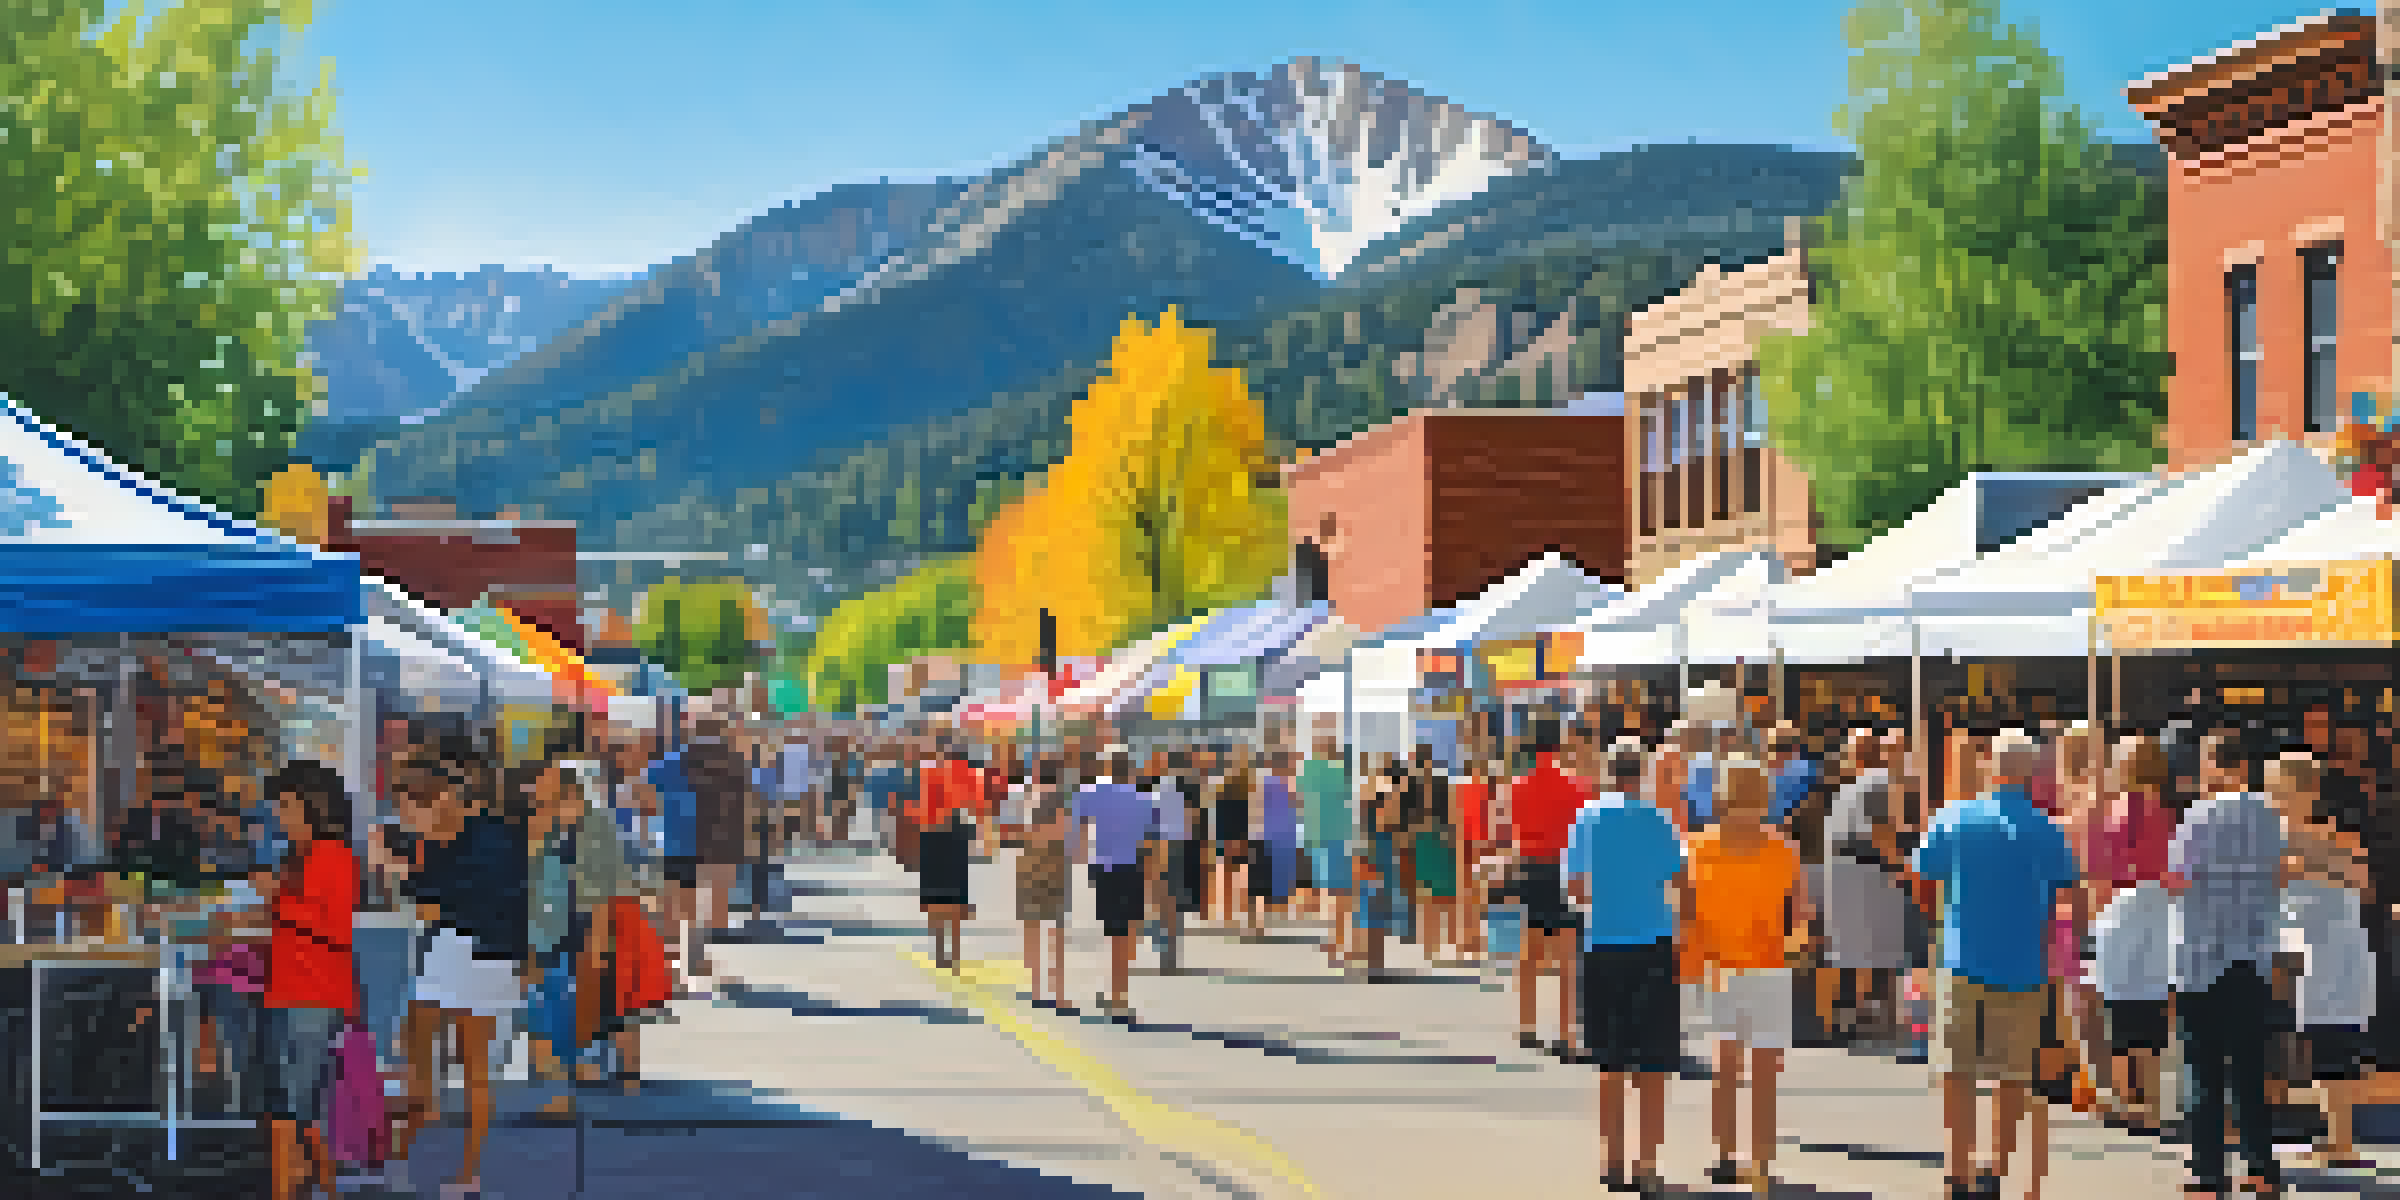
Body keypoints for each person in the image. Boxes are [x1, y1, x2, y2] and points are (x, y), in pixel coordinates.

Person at [1911, 729, 2078, 1200]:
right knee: (2011, 1072)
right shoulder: (2045, 827)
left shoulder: (1958, 816)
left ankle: (1956, 1169)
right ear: (2032, 774)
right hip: (2025, 961)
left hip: (1962, 959)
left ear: (1991, 767)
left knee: (1955, 1069)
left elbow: (1923, 868)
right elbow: (2066, 885)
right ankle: (1994, 1168)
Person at [392, 732, 527, 1200]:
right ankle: (424, 1160)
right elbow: (428, 896)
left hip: (478, 954)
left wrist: (406, 876)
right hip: (473, 953)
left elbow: (438, 900)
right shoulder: (479, 832)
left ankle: (447, 1165)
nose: (409, 816)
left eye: (414, 803)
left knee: (457, 1063)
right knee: (447, 1060)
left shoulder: (479, 834)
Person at [2166, 732, 2287, 1198]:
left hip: (2202, 954)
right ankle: (2261, 1167)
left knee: (2203, 1069)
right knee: (2251, 1069)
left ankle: (2207, 1169)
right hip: (2252, 953)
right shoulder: (2270, 816)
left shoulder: (2197, 817)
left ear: (2217, 764)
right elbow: (2278, 877)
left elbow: (2177, 881)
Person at [1682, 756, 1810, 1194]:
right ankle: (1761, 1161)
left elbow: (1685, 912)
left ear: (1720, 795)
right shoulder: (1785, 850)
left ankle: (1723, 1155)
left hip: (1719, 966)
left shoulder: (1697, 848)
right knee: (1765, 1072)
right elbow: (1801, 916)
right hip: (1770, 966)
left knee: (1726, 1067)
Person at [1567, 738, 1685, 1198]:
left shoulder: (1587, 817)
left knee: (1610, 1061)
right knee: (1652, 1063)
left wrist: (1601, 903)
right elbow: (1680, 881)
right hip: (1653, 943)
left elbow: (1575, 888)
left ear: (1607, 772)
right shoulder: (1660, 820)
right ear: (1643, 775)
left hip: (1603, 944)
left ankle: (1612, 1159)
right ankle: (1648, 1164)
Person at [2267, 755, 2376, 1168]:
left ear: (2306, 791)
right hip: (2296, 955)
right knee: (2311, 1047)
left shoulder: (2335, 837)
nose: (2272, 797)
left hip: (2333, 956)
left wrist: (2300, 853)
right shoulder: (2277, 838)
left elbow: (2360, 881)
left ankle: (2341, 1141)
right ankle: (2332, 1138)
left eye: (2278, 789)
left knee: (2335, 1045)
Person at [257, 760, 358, 1200]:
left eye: (286, 804)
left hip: (314, 992)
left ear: (311, 806)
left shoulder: (333, 855)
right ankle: (299, 1183)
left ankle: (305, 1185)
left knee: (299, 1103)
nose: (280, 814)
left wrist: (278, 899)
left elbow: (334, 927)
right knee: (289, 1099)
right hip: (288, 988)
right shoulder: (297, 857)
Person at [1817, 729, 1911, 1045]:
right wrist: (1903, 866)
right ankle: (1878, 1018)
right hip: (1867, 873)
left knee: (1850, 949)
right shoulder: (1877, 784)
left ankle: (1848, 1019)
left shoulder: (1853, 788)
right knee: (1881, 948)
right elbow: (1882, 832)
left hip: (1846, 872)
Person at [1508, 723, 1587, 1057]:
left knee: (1531, 952)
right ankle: (1567, 1033)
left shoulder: (1518, 786)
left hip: (1531, 868)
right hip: (1564, 868)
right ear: (1559, 746)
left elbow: (1515, 830)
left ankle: (1528, 1025)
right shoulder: (1576, 787)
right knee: (1567, 955)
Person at [1072, 745, 1154, 1020]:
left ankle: (1116, 993)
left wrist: (1080, 856)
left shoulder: (1091, 793)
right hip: (1134, 868)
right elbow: (1153, 842)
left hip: (1105, 868)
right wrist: (1154, 876)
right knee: (1127, 931)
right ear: (1131, 769)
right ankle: (1119, 991)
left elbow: (1079, 829)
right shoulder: (1144, 799)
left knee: (1115, 932)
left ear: (1107, 768)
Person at [915, 738, 984, 972]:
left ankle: (939, 950)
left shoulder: (929, 772)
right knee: (955, 897)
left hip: (933, 834)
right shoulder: (970, 774)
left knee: (935, 897)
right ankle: (954, 953)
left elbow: (924, 806)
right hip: (956, 834)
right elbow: (977, 808)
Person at [1016, 755, 1072, 1010]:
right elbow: (1064, 831)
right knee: (1056, 929)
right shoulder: (1060, 799)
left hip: (1028, 863)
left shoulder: (1026, 798)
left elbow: (1012, 830)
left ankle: (1036, 989)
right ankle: (1058, 991)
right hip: (1054, 863)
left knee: (1032, 926)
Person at [1298, 737, 1354, 966]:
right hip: (1329, 837)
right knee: (1334, 891)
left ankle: (1339, 940)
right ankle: (1338, 939)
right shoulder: (1336, 774)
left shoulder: (1317, 772)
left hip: (1328, 837)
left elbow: (1302, 800)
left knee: (1336, 892)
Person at [1251, 747, 1302, 939]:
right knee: (1274, 875)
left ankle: (1272, 915)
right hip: (1277, 836)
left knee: (1277, 875)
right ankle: (1269, 916)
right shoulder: (1280, 783)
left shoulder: (1271, 783)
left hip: (1278, 835)